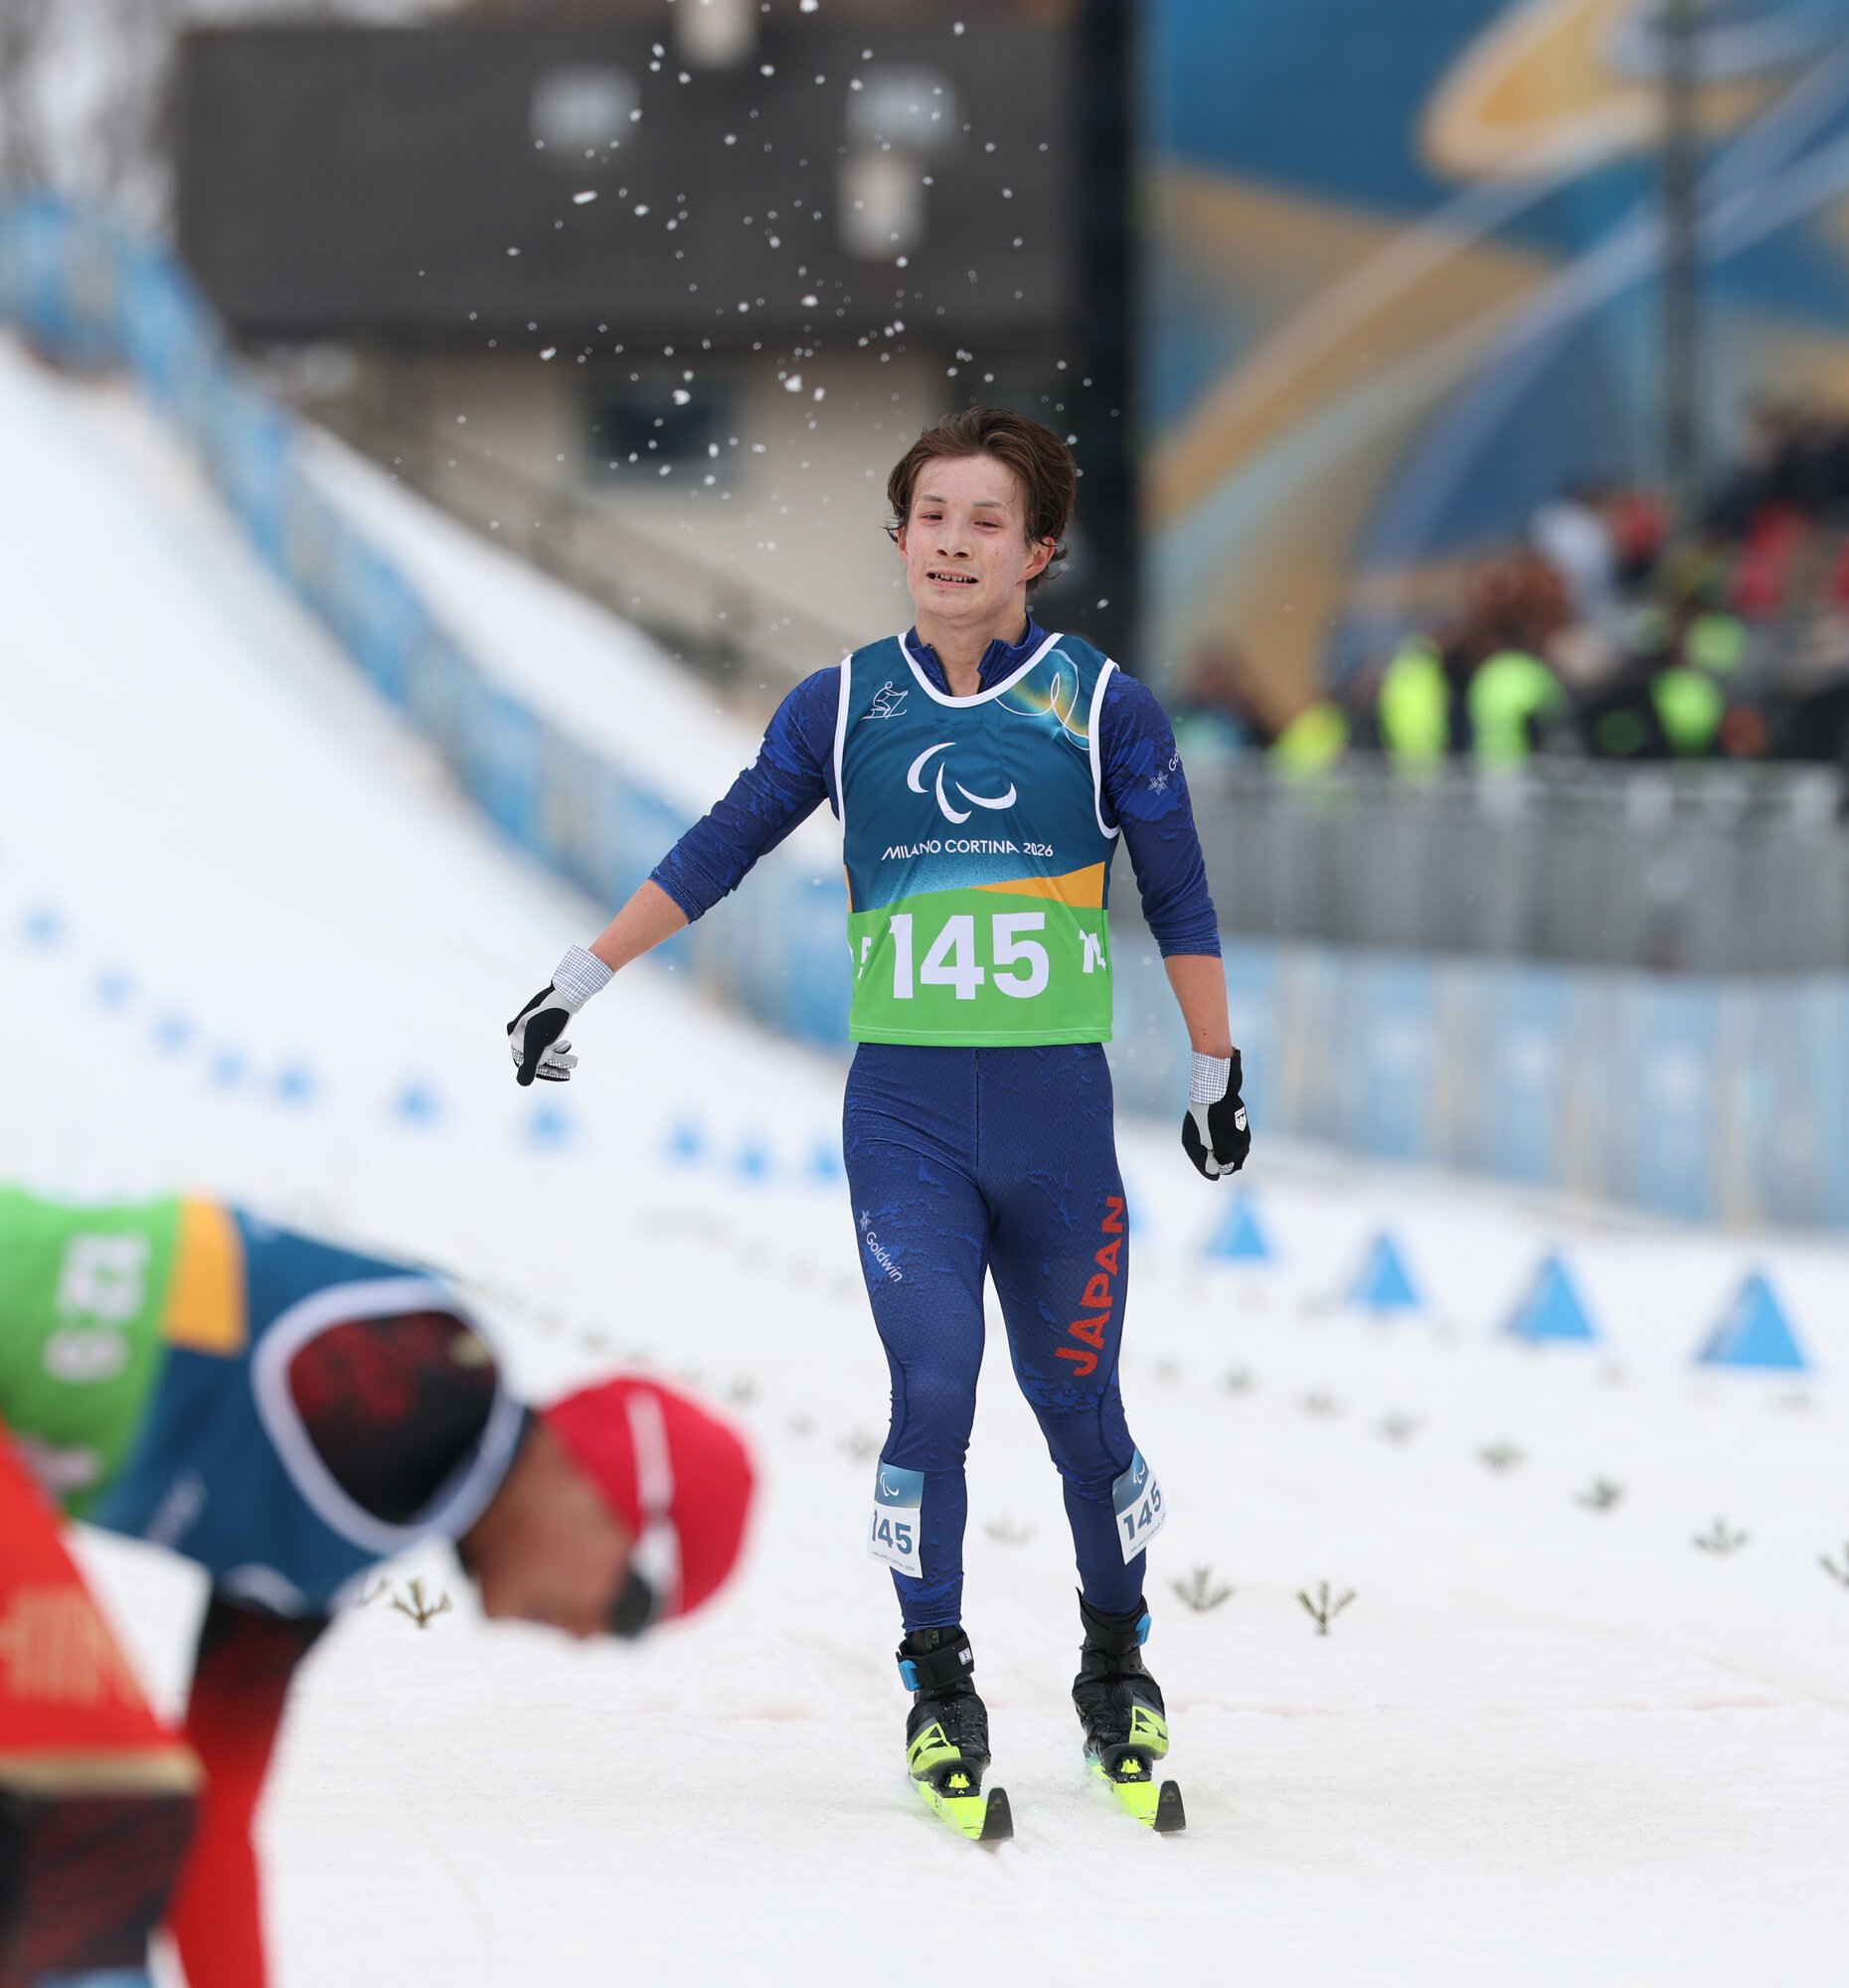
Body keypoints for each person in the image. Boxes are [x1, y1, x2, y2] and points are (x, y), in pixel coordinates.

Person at [507, 408, 1250, 1836]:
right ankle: (938, 1683)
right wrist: (577, 978)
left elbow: (1181, 898)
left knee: (1080, 1409)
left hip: (1057, 1122)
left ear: (1039, 549)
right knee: (934, 1392)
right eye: (932, 518)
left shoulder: (1103, 706)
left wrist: (1218, 1072)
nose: (953, 544)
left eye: (987, 522)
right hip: (905, 1121)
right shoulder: (841, 704)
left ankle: (1116, 1667)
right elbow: (721, 847)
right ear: (901, 536)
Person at [0, 1184, 754, 1986]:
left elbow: (217, 1828)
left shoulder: (353, 1521)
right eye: (631, 1609)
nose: (588, 1636)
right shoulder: (435, 1380)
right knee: (95, 1816)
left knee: (95, 1821)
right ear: (603, 1485)